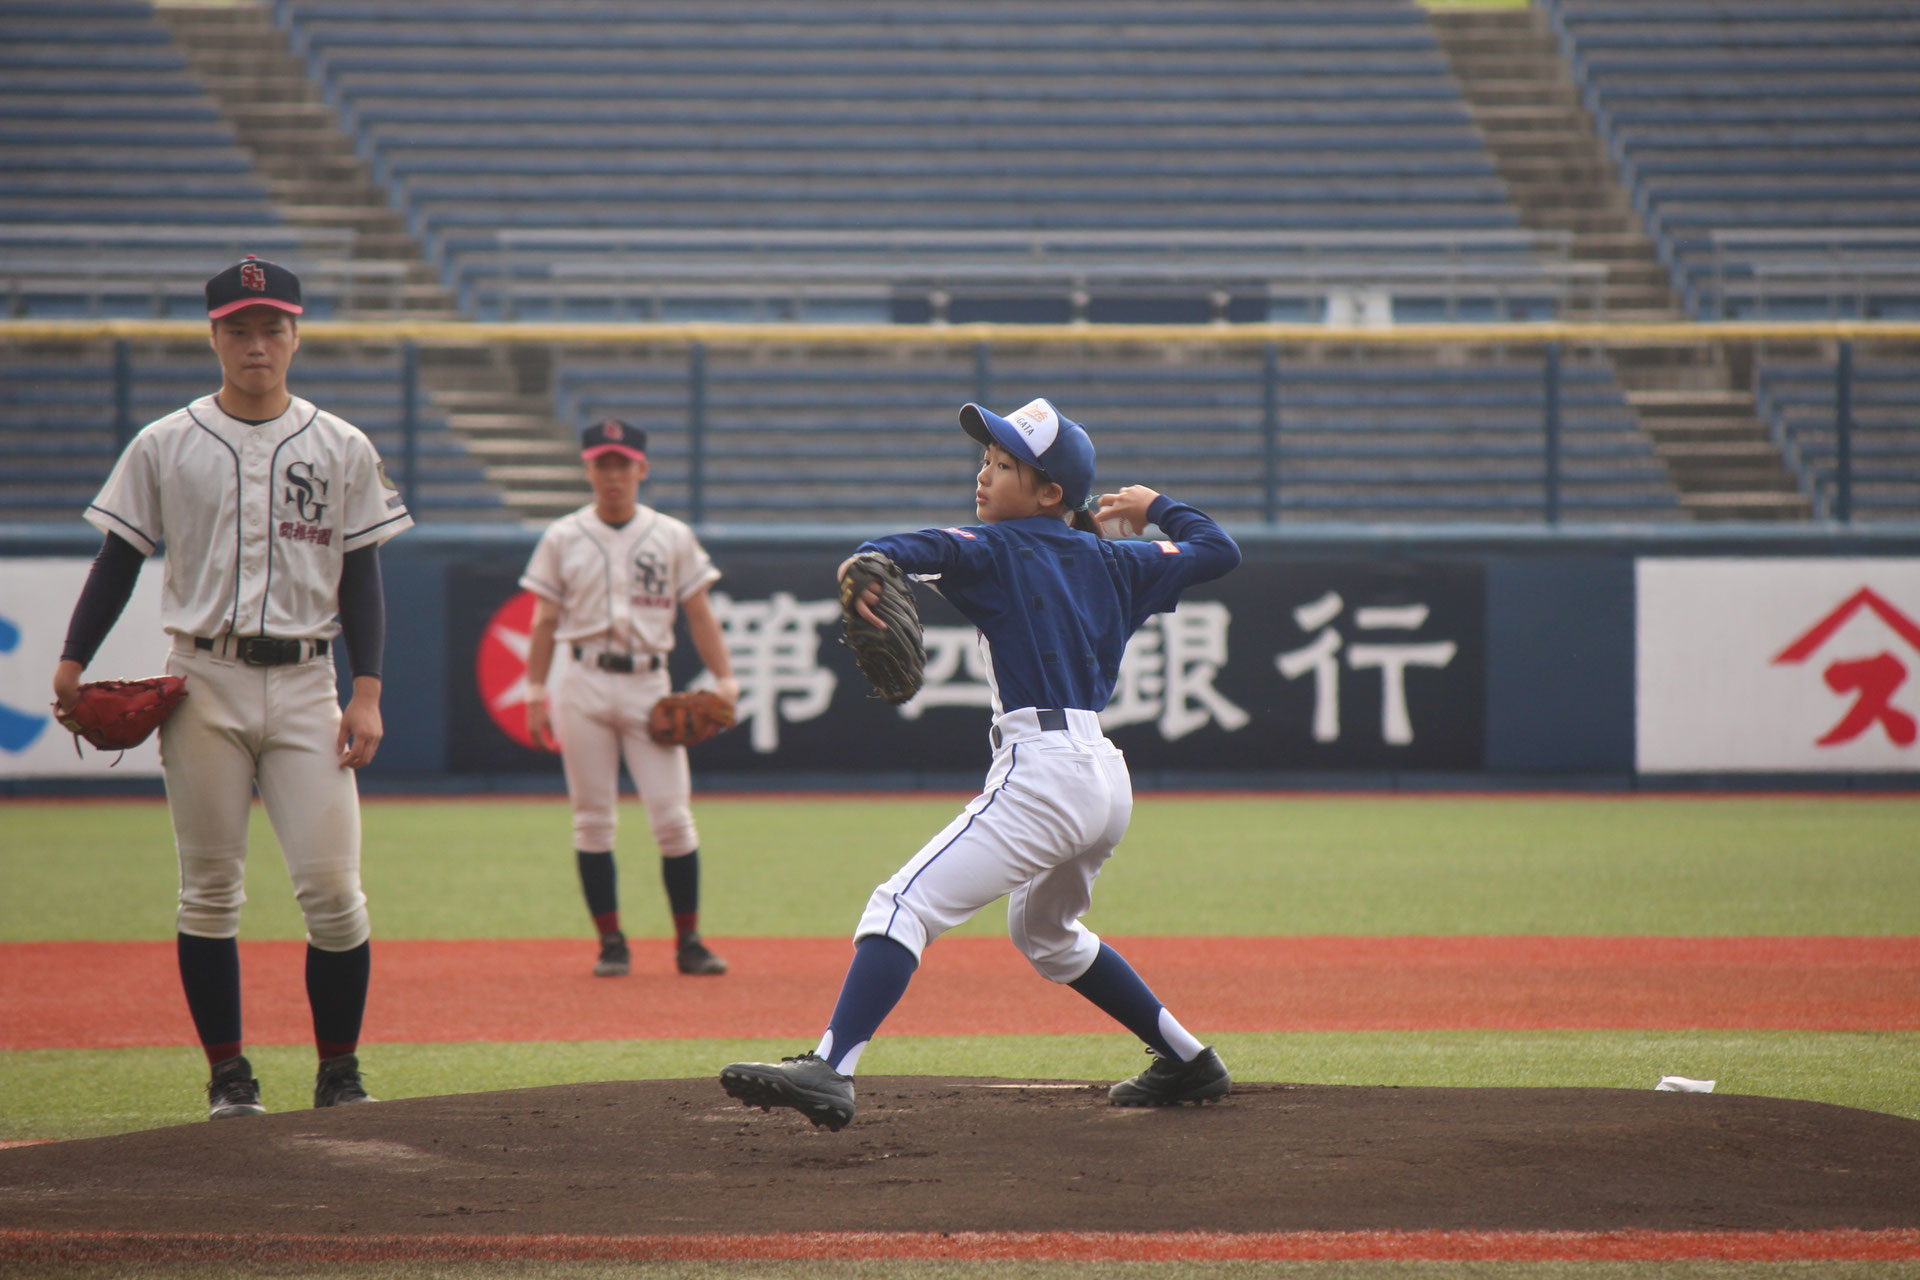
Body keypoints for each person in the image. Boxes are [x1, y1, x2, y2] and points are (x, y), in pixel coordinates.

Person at [720, 397, 1241, 1130]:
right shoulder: (1120, 562)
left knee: (899, 905)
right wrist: (1161, 506)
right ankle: (1190, 1060)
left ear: (1050, 493)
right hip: (1105, 777)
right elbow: (1219, 551)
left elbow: (923, 545)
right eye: (986, 461)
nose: (983, 475)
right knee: (1049, 937)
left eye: (1003, 465)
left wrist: (870, 560)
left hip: (1045, 772)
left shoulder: (996, 549)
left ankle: (830, 1068)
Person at [53, 255, 411, 1120]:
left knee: (335, 893)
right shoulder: (166, 442)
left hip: (304, 682)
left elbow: (361, 576)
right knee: (209, 889)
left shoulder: (341, 444)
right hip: (202, 678)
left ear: (296, 335)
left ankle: (340, 1074)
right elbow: (118, 560)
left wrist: (365, 691)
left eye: (273, 327)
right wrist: (71, 659)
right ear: (214, 336)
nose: (258, 343)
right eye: (240, 328)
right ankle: (229, 1078)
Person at [519, 419, 739, 978]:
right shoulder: (563, 536)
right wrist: (535, 690)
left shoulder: (670, 535)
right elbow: (544, 621)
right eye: (602, 463)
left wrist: (724, 677)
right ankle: (611, 942)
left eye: (622, 463)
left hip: (649, 684)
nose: (612, 474)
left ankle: (689, 941)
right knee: (592, 821)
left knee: (673, 820)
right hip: (584, 681)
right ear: (588, 469)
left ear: (641, 468)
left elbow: (699, 612)